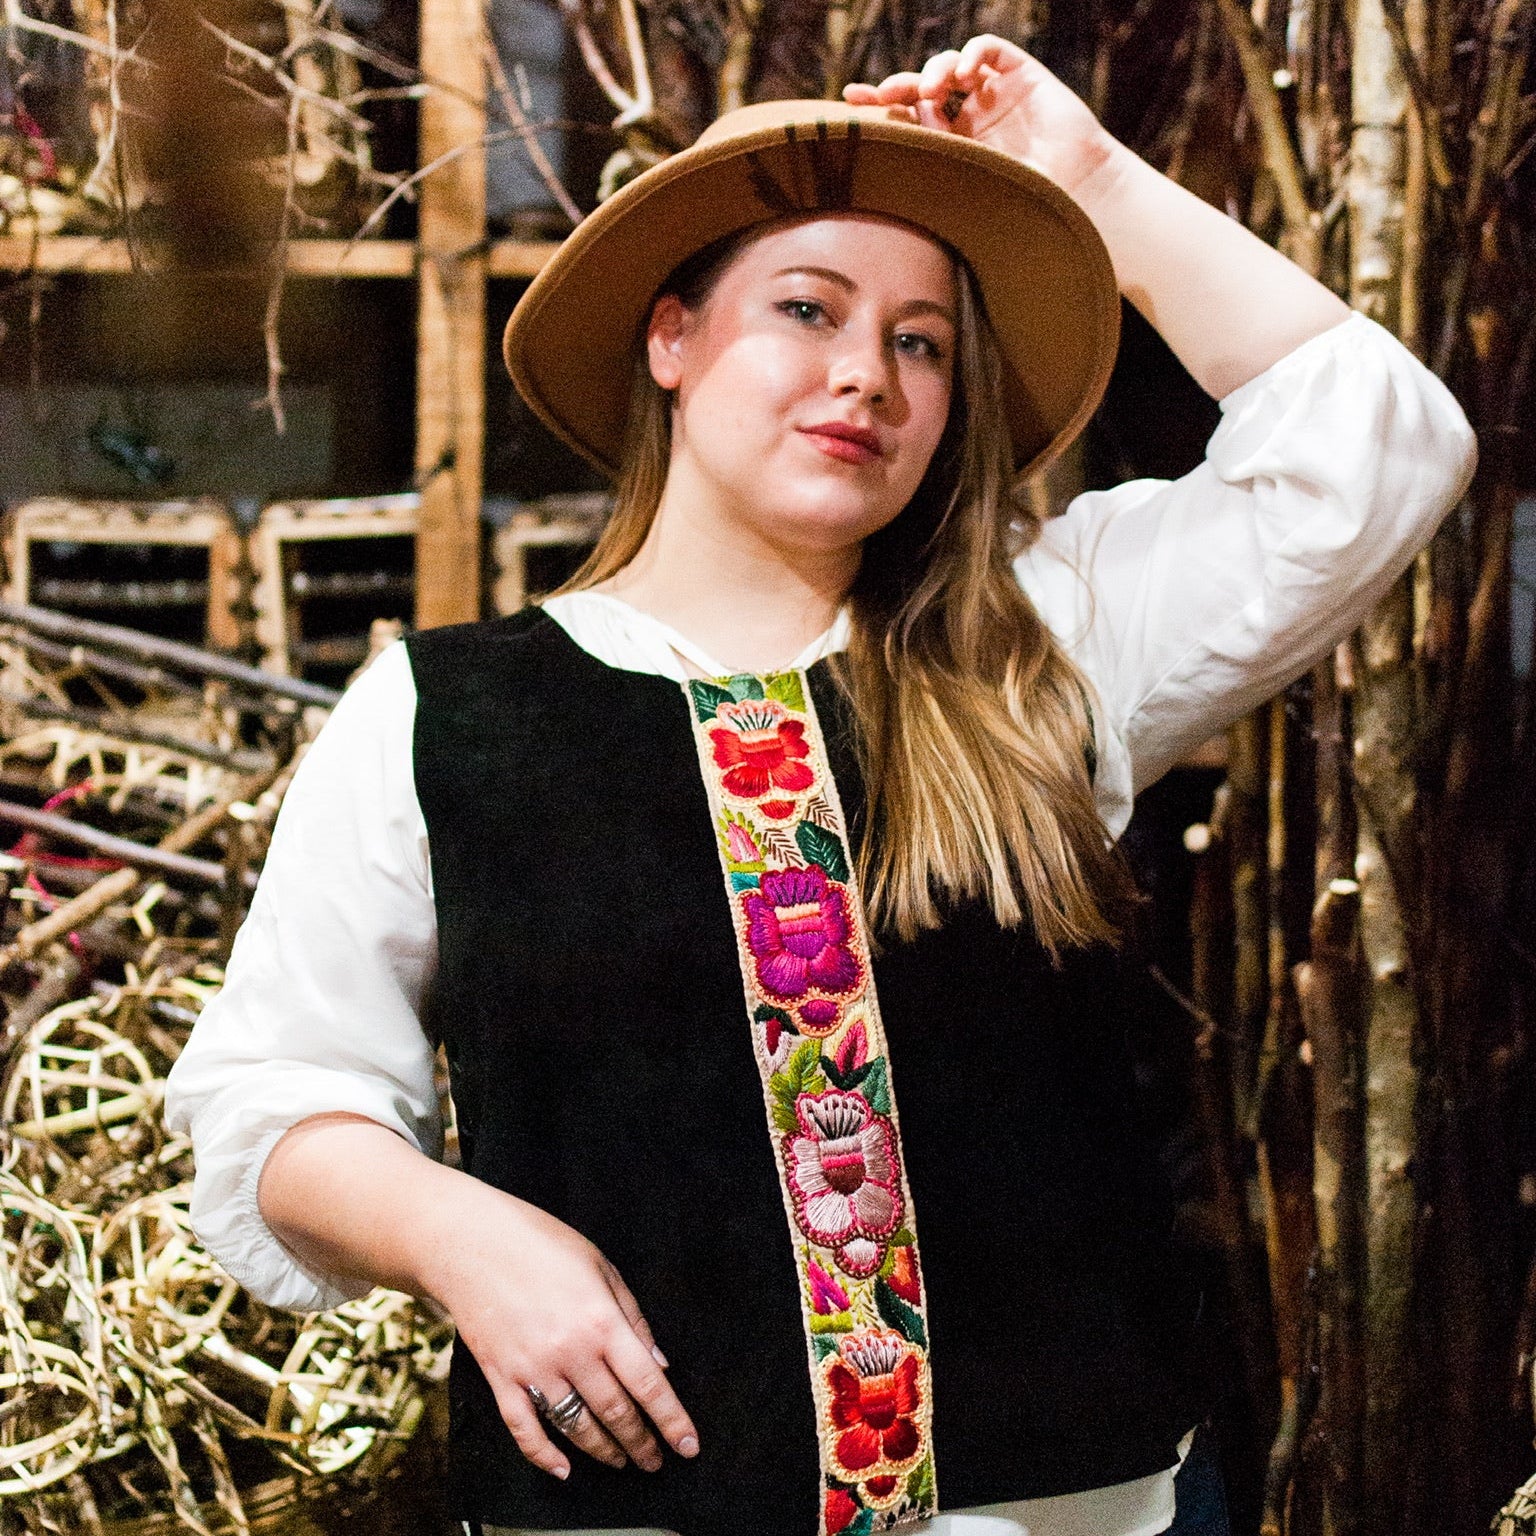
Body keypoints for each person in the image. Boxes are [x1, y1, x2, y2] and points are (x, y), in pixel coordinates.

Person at [165, 34, 1476, 1536]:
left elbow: (1379, 451)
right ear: (670, 339)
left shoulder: (1041, 648)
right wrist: (460, 1235)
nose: (868, 372)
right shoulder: (442, 715)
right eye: (807, 310)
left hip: (1069, 1512)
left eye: (923, 341)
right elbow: (272, 1097)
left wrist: (1095, 183)